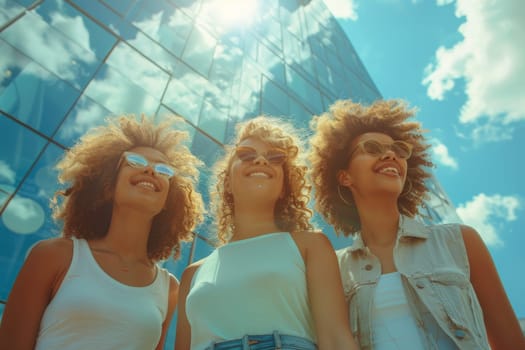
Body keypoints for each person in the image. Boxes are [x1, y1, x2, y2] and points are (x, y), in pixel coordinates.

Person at [308, 99, 525, 349]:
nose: (390, 155)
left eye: (398, 150)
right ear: (345, 176)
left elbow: (511, 342)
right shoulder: (333, 270)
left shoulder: (460, 240)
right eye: (372, 147)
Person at [0, 115, 204, 350]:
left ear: (169, 199)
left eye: (163, 169)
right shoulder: (54, 255)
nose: (150, 170)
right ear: (108, 185)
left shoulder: (168, 288)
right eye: (135, 161)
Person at [175, 116, 358, 350]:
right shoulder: (193, 274)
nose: (261, 160)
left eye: (275, 157)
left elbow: (335, 339)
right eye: (246, 155)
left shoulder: (310, 246)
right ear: (227, 181)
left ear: (284, 186)